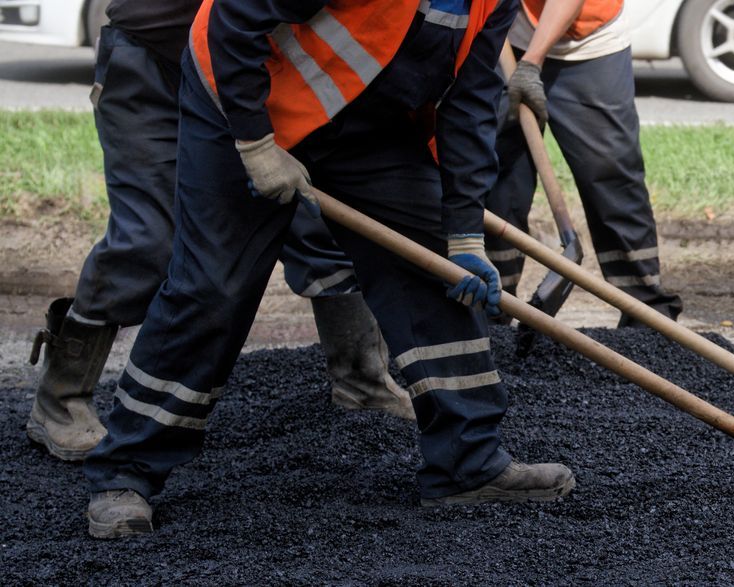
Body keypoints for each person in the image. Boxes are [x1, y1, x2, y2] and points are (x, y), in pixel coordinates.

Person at [83, 0, 573, 539]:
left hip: (369, 122)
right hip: (247, 101)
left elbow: (470, 99)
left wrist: (462, 233)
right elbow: (232, 22)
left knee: (435, 266)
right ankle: (125, 470)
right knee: (213, 289)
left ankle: (467, 463)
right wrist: (255, 144)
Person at [26, 0, 414, 465]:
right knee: (149, 240)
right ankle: (61, 397)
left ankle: (362, 380)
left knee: (317, 222)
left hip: (256, 69)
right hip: (153, 64)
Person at [485, 0, 683, 322]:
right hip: (508, 37)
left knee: (611, 178)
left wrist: (532, 62)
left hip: (587, 46)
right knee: (497, 176)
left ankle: (646, 317)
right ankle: (492, 307)